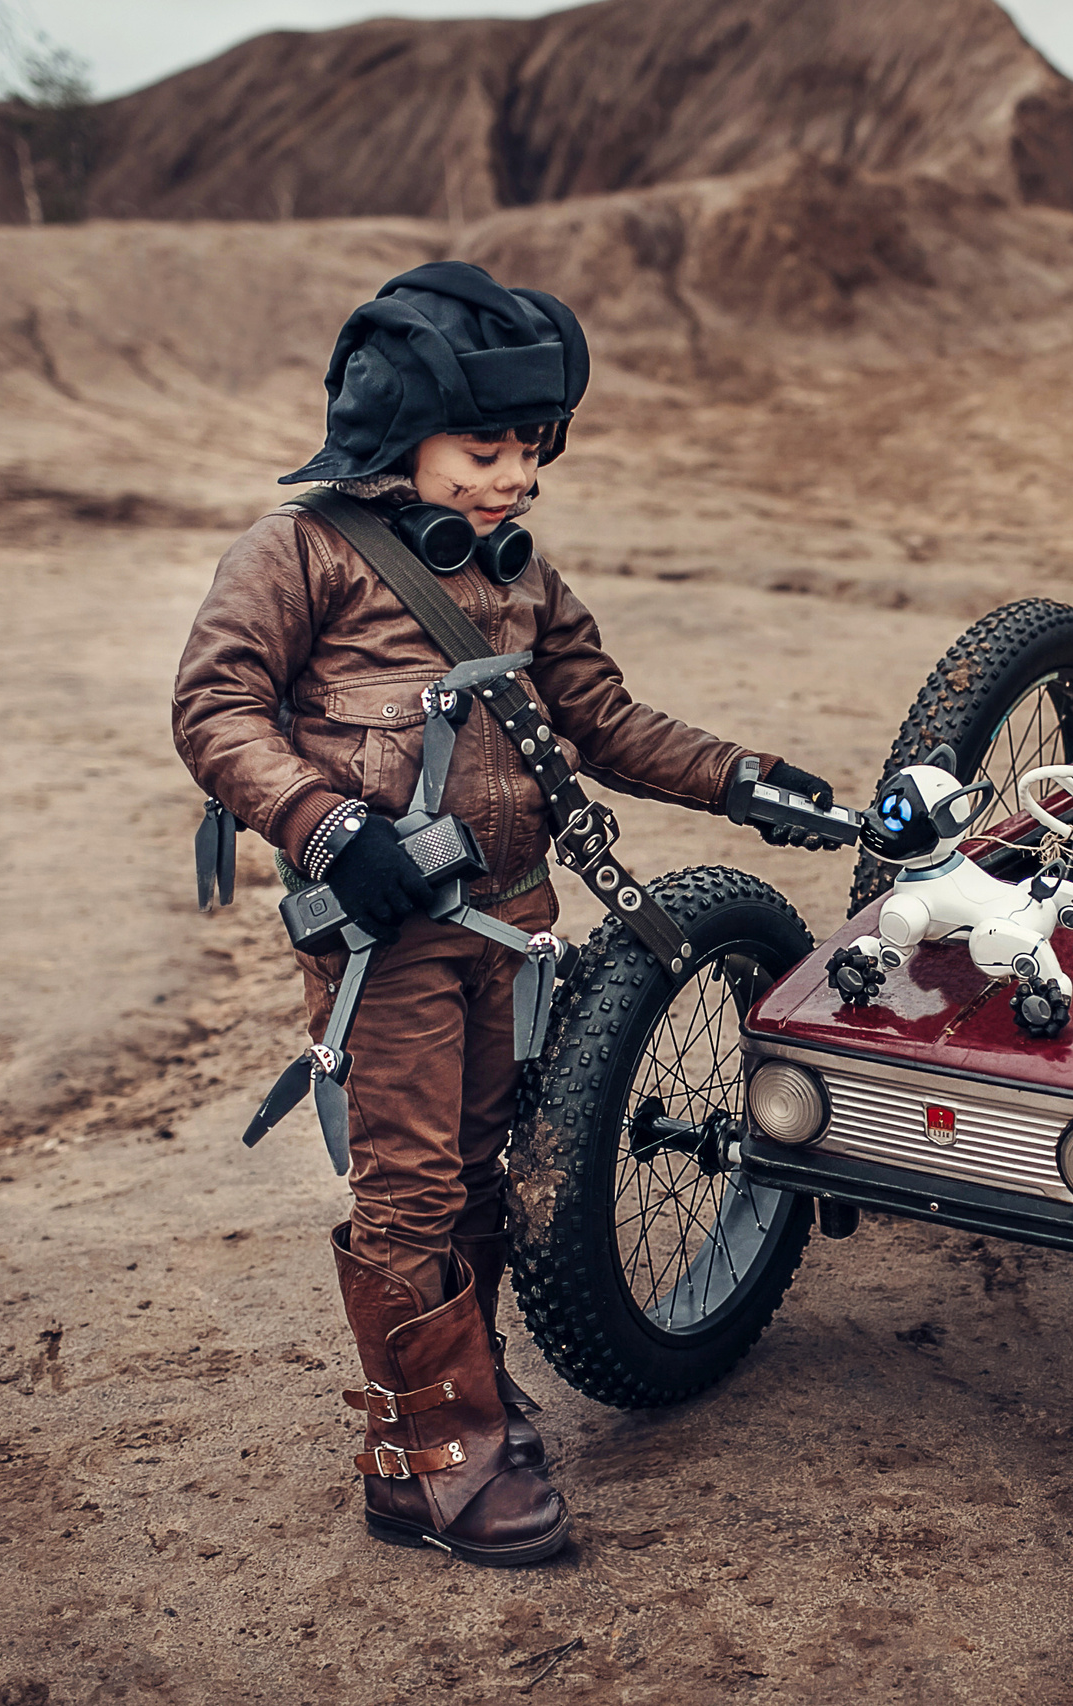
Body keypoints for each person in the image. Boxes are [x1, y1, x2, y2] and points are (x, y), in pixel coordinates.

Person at [171, 261, 835, 1567]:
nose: (515, 478)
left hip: (518, 935)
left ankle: (466, 1390)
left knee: (489, 1169)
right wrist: (324, 823)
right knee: (410, 1190)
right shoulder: (297, 552)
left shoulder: (523, 575)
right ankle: (423, 1462)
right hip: (392, 943)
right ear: (394, 424)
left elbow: (603, 718)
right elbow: (215, 708)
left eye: (533, 450)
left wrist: (745, 779)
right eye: (488, 448)